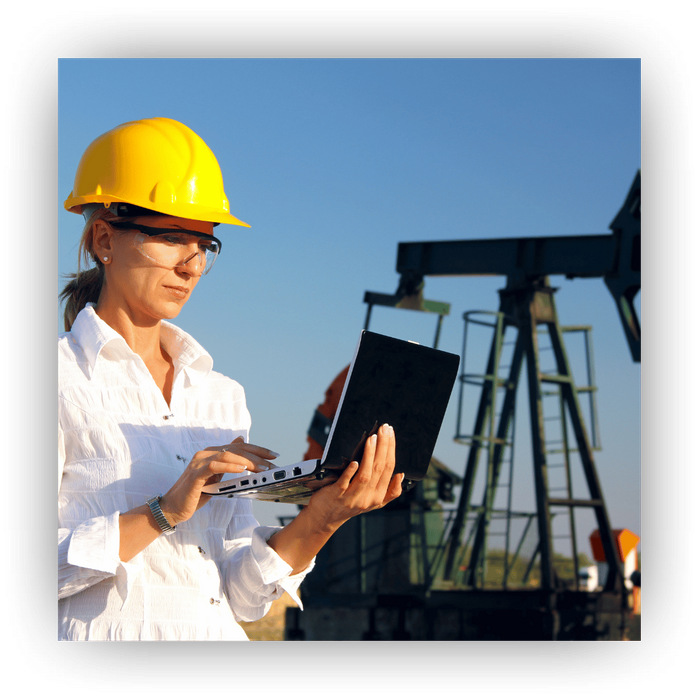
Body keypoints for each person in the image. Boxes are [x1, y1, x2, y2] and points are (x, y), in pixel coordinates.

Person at [58, 117, 403, 641]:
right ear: (104, 238)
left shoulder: (221, 396)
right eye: (173, 238)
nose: (192, 265)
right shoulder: (65, 378)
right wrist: (162, 512)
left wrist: (324, 516)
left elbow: (242, 597)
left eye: (206, 245)